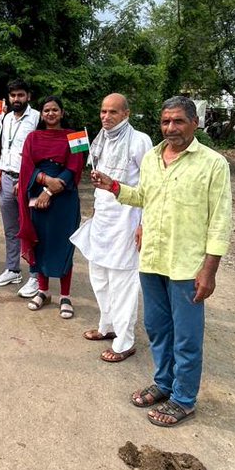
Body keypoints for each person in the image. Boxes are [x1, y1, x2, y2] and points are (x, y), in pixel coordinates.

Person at [91, 95, 231, 428]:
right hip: (152, 259)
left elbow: (221, 221)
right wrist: (114, 186)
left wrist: (209, 271)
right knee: (157, 329)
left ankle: (183, 398)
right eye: (166, 121)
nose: (171, 128)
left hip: (187, 265)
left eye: (179, 121)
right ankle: (164, 382)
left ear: (194, 123)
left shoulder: (213, 163)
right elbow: (144, 197)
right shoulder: (153, 158)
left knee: (186, 336)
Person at [70, 94, 152, 362]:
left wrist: (143, 224)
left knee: (123, 281)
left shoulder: (140, 141)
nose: (106, 117)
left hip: (127, 219)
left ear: (126, 114)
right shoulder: (101, 138)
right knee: (100, 277)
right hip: (103, 218)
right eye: (103, 111)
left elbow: (149, 187)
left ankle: (125, 341)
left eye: (113, 112)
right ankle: (108, 327)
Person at [18, 96, 84, 319]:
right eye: (46, 110)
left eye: (55, 110)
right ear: (41, 114)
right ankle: (43, 292)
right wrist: (45, 181)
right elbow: (27, 168)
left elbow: (76, 166)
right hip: (38, 196)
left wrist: (51, 190)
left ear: (62, 113)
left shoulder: (75, 136)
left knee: (64, 246)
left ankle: (65, 296)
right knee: (41, 244)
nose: (50, 114)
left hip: (65, 198)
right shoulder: (32, 137)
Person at [0, 80, 40, 294]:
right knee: (11, 229)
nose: (17, 99)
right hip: (5, 178)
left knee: (30, 228)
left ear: (28, 96)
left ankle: (36, 275)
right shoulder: (7, 118)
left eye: (21, 95)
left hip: (27, 181)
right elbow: (4, 148)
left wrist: (25, 178)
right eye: (13, 96)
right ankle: (13, 269)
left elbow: (39, 152)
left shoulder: (37, 117)